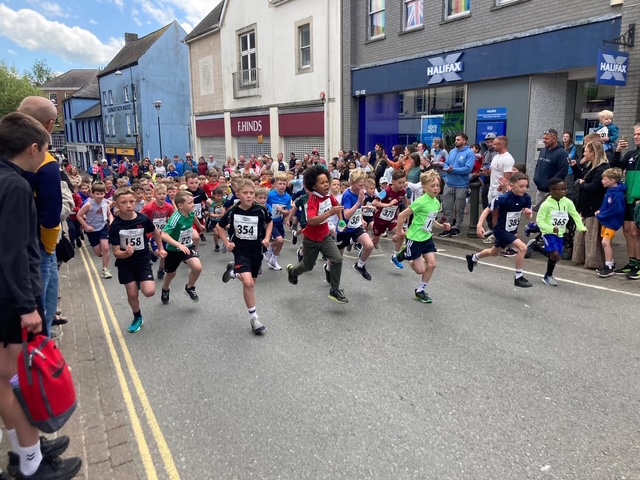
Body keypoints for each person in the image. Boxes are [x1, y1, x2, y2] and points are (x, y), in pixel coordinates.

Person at [0, 112, 82, 479]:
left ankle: (25, 451)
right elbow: (14, 252)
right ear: (33, 148)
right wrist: (27, 307)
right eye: (45, 151)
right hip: (10, 300)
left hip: (6, 296)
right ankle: (30, 464)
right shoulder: (15, 186)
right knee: (18, 382)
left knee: (7, 380)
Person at [18, 97, 63, 339]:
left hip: (15, 237)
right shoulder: (45, 162)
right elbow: (51, 211)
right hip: (38, 241)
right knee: (43, 297)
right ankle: (40, 344)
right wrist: (49, 246)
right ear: (50, 124)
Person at [286, 165, 348, 304]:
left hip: (325, 236)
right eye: (322, 183)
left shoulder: (328, 196)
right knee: (308, 266)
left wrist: (341, 220)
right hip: (311, 239)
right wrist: (329, 213)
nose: (326, 185)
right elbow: (312, 221)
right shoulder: (313, 201)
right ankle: (293, 271)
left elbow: (337, 206)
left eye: (327, 181)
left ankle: (334, 290)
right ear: (314, 186)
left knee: (337, 259)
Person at [218, 179, 273, 334]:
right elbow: (219, 227)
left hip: (256, 251)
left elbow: (270, 223)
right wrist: (226, 242)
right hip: (240, 250)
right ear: (238, 194)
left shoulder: (261, 210)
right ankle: (254, 319)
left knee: (251, 283)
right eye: (245, 193)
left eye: (251, 193)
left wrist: (267, 238)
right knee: (248, 283)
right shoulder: (233, 211)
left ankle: (234, 273)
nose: (249, 196)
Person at [109, 188, 166, 332]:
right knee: (133, 293)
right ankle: (137, 317)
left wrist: (160, 248)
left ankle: (140, 281)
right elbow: (116, 252)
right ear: (116, 205)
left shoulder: (143, 219)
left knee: (149, 292)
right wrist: (126, 253)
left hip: (142, 261)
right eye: (123, 202)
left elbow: (155, 232)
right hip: (125, 263)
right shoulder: (115, 225)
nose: (128, 205)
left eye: (131, 201)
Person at [466, 173, 534, 287]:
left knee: (494, 252)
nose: (524, 189)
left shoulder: (526, 198)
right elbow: (487, 210)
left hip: (511, 230)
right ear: (512, 185)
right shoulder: (504, 198)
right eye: (521, 186)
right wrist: (479, 225)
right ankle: (518, 277)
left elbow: (529, 216)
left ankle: (473, 258)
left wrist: (528, 213)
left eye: (526, 186)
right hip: (501, 230)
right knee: (523, 248)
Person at [392, 170, 451, 303]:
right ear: (424, 188)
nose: (436, 188)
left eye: (437, 185)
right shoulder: (420, 201)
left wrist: (442, 227)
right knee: (420, 270)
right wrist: (399, 233)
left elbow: (431, 221)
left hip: (427, 238)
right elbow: (401, 215)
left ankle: (420, 291)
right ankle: (405, 254)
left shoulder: (436, 203)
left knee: (432, 264)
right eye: (432, 186)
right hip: (414, 239)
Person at [536, 178, 586, 286]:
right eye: (561, 189)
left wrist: (581, 227)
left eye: (565, 189)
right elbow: (539, 221)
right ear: (552, 190)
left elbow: (575, 215)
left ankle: (535, 246)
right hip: (548, 233)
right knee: (555, 255)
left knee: (557, 256)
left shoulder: (567, 202)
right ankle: (548, 276)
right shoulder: (546, 205)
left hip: (560, 234)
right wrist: (551, 229)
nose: (564, 191)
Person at [160, 191, 204, 304]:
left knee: (197, 268)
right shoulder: (176, 218)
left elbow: (193, 217)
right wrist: (178, 245)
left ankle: (190, 287)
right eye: (190, 203)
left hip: (188, 245)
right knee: (171, 274)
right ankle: (165, 288)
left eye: (193, 202)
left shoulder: (191, 212)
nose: (193, 204)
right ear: (180, 206)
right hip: (173, 250)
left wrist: (200, 226)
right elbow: (163, 235)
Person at [572, 140, 609, 269]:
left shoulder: (602, 168)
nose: (584, 153)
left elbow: (594, 186)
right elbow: (582, 177)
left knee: (592, 237)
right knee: (581, 234)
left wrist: (582, 185)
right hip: (585, 205)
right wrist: (575, 167)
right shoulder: (591, 166)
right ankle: (581, 257)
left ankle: (594, 261)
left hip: (594, 206)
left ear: (593, 152)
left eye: (586, 151)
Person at [611, 126, 640, 279]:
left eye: (639, 134)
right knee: (627, 231)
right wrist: (617, 151)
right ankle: (632, 262)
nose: (636, 136)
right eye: (635, 134)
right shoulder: (631, 154)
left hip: (638, 201)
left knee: (636, 233)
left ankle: (639, 265)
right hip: (628, 198)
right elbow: (616, 168)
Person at [338, 169, 375, 280]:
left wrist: (361, 218)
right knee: (337, 259)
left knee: (369, 245)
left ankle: (360, 265)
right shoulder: (347, 195)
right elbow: (347, 215)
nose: (363, 188)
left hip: (356, 226)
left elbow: (358, 209)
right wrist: (359, 202)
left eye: (364, 185)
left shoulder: (360, 192)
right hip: (345, 228)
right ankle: (328, 268)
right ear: (351, 183)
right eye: (360, 185)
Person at [437, 133, 476, 238]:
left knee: (459, 208)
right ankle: (448, 227)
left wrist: (454, 170)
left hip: (461, 185)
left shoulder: (469, 153)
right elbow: (446, 163)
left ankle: (457, 228)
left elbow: (468, 168)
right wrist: (446, 168)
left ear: (464, 141)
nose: (456, 141)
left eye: (458, 140)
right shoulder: (452, 151)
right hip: (449, 183)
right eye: (456, 139)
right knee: (447, 208)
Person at [77, 182, 114, 278]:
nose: (100, 196)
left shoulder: (105, 203)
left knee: (106, 248)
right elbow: (79, 215)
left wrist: (111, 221)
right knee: (98, 252)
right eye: (97, 194)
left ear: (104, 193)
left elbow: (109, 214)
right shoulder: (89, 204)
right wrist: (86, 226)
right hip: (92, 230)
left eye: (102, 193)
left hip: (103, 227)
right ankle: (102, 256)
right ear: (92, 194)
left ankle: (105, 269)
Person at [595, 168, 627, 277]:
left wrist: (602, 215)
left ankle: (609, 266)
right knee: (606, 242)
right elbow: (606, 205)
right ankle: (610, 263)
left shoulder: (617, 194)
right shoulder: (610, 190)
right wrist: (601, 210)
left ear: (612, 180)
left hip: (612, 222)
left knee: (605, 242)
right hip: (607, 220)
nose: (602, 181)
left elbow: (617, 209)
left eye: (604, 179)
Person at [141, 184, 175, 279]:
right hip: (152, 234)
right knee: (158, 252)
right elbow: (141, 217)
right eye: (159, 194)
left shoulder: (169, 207)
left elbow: (171, 219)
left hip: (164, 233)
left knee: (165, 253)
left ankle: (161, 269)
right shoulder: (149, 207)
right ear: (154, 195)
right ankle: (153, 253)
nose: (162, 196)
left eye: (164, 194)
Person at [533, 128, 568, 205]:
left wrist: (550, 183)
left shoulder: (562, 153)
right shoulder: (543, 151)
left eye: (547, 139)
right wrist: (536, 178)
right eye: (544, 138)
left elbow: (563, 171)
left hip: (551, 192)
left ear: (554, 139)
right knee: (539, 211)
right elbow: (538, 166)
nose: (544, 141)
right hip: (540, 190)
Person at [265, 173, 292, 271]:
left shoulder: (288, 197)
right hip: (270, 222)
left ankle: (273, 259)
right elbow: (264, 204)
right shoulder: (270, 195)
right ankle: (269, 250)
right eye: (280, 184)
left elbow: (288, 211)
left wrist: (283, 212)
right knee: (280, 240)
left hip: (279, 221)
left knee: (281, 242)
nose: (282, 186)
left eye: (284, 184)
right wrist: (269, 209)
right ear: (275, 184)